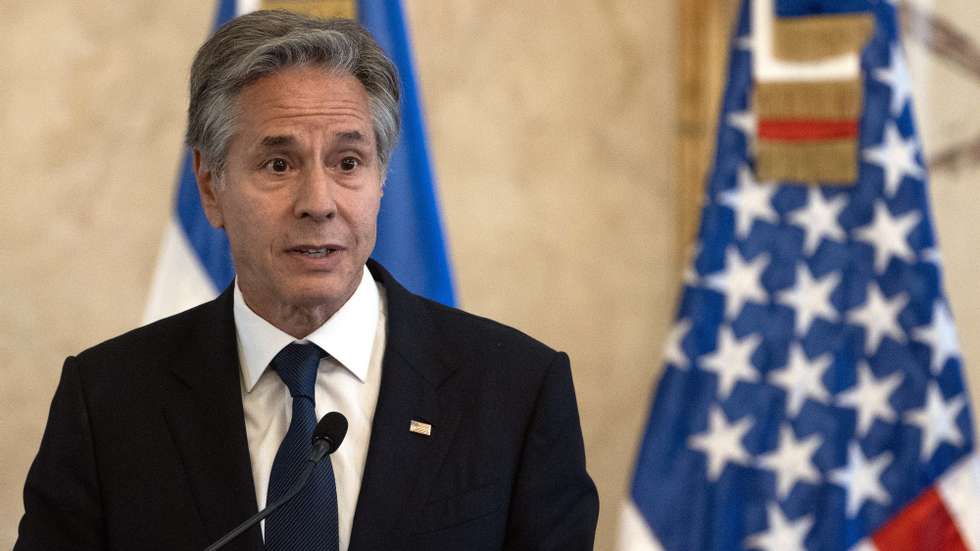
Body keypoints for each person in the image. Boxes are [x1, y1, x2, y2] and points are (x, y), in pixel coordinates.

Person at [14, 10, 598, 551]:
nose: (318, 203)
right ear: (211, 184)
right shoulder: (109, 398)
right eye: (278, 164)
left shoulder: (515, 390)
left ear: (380, 180)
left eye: (348, 163)